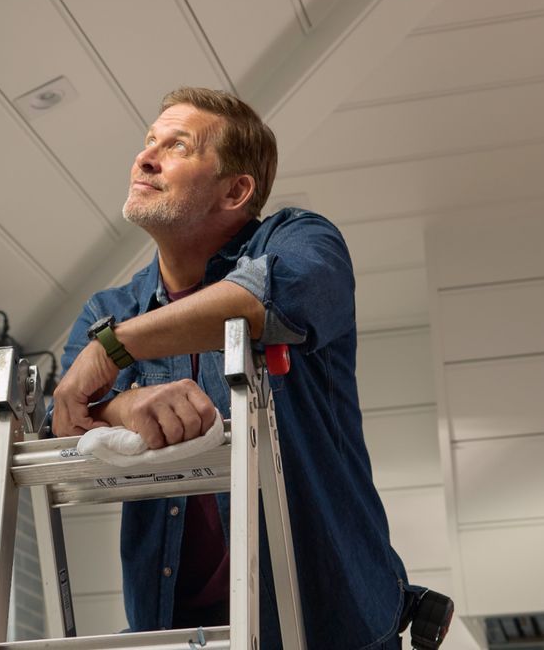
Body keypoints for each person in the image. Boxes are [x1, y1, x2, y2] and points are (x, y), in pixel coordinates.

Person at [50, 87, 449, 649]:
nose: (145, 158)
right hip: (181, 633)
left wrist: (117, 350)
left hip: (330, 623)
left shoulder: (302, 240)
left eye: (178, 146)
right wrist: (122, 405)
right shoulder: (108, 310)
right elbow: (63, 416)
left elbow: (261, 300)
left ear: (236, 191)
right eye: (148, 143)